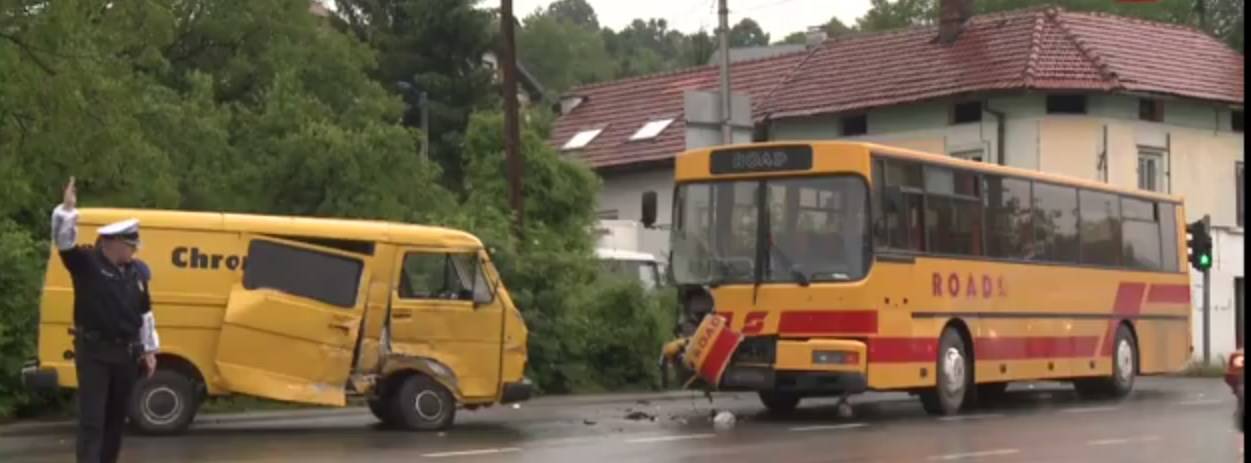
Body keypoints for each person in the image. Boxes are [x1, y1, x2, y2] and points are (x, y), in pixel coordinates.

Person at [51, 177, 160, 463]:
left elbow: (145, 313)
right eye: (130, 244)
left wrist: (149, 350)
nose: (134, 250)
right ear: (111, 242)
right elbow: (63, 242)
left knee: (116, 420)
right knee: (93, 421)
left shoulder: (136, 272)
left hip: (126, 354)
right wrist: (67, 210)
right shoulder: (87, 263)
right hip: (95, 352)